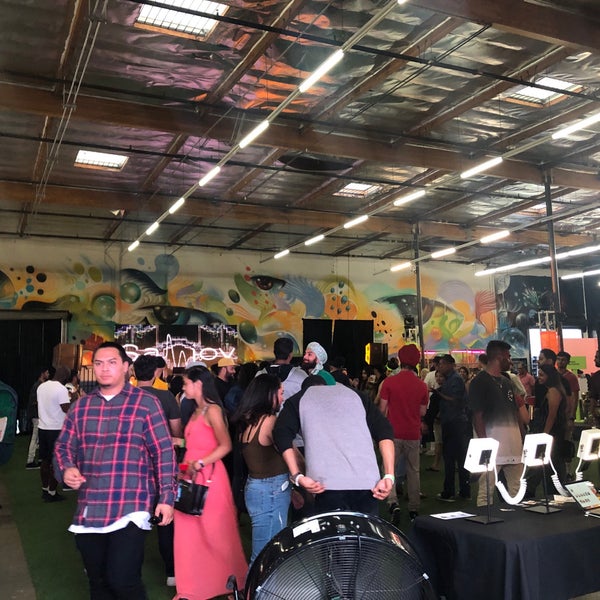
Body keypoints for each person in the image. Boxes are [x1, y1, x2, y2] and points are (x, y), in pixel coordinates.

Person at [54, 342, 176, 600]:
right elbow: (64, 445)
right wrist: (67, 468)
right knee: (98, 583)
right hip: (91, 505)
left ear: (125, 367)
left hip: (132, 504)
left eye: (112, 362)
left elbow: (163, 452)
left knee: (122, 580)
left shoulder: (147, 403)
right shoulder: (81, 407)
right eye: (99, 363)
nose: (104, 368)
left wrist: (166, 498)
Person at [173, 365, 247, 600]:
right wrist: (180, 445)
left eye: (186, 383)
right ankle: (191, 588)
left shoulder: (213, 410)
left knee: (217, 532)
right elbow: (196, 444)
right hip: (190, 475)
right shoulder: (197, 410)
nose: (183, 387)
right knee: (188, 534)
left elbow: (226, 445)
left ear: (198, 384)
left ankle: (233, 582)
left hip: (210, 478)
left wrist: (200, 463)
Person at [273, 380, 395, 516]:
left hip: (324, 483)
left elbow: (281, 434)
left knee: (331, 528)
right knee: (364, 528)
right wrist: (389, 475)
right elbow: (384, 430)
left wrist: (297, 476)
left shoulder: (299, 399)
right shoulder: (356, 395)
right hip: (367, 482)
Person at [133, 354, 182, 587]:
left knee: (133, 520)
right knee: (165, 521)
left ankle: (127, 569)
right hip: (162, 466)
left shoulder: (125, 398)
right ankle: (171, 571)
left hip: (134, 469)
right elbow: (176, 432)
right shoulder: (166, 397)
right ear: (156, 373)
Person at [233, 374, 291, 563]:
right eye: (281, 393)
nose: (283, 398)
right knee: (267, 553)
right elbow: (289, 452)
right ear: (269, 394)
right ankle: (256, 584)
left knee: (264, 550)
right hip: (271, 489)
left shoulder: (248, 421)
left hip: (256, 487)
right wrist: (300, 476)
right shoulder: (270, 421)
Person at [468, 340, 529, 507]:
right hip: (492, 446)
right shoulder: (479, 382)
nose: (510, 361)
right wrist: (484, 444)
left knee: (517, 489)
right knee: (486, 491)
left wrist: (522, 437)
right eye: (508, 357)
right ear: (499, 357)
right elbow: (477, 415)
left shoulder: (507, 381)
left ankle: (517, 519)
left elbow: (515, 412)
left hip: (513, 445)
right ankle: (484, 520)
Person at [378, 344, 429, 521]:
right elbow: (423, 411)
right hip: (413, 433)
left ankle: (393, 502)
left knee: (388, 468)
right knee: (413, 471)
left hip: (392, 433)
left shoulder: (389, 382)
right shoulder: (422, 385)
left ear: (400, 360)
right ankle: (414, 508)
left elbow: (382, 409)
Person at [434, 354, 471, 501]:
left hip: (455, 423)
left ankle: (451, 491)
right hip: (453, 422)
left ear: (450, 364)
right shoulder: (451, 379)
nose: (440, 367)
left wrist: (439, 394)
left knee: (452, 458)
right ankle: (462, 491)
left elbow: (456, 400)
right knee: (457, 458)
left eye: (442, 364)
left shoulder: (455, 379)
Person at [527, 364, 568, 496]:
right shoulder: (554, 390)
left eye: (542, 375)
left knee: (546, 466)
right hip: (554, 434)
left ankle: (544, 493)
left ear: (549, 376)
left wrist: (545, 434)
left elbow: (552, 415)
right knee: (550, 466)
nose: (539, 377)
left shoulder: (553, 391)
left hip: (551, 434)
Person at [38, 365, 71, 502]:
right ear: (65, 377)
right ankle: (52, 492)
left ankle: (45, 489)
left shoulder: (42, 387)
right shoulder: (61, 389)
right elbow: (66, 409)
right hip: (56, 430)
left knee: (45, 461)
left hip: (42, 428)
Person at [25, 365, 49, 469]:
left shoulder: (40, 385)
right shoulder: (38, 386)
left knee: (38, 438)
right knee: (35, 438)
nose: (48, 374)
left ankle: (39, 459)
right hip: (37, 415)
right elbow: (34, 401)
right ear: (42, 373)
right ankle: (30, 461)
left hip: (39, 415)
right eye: (47, 372)